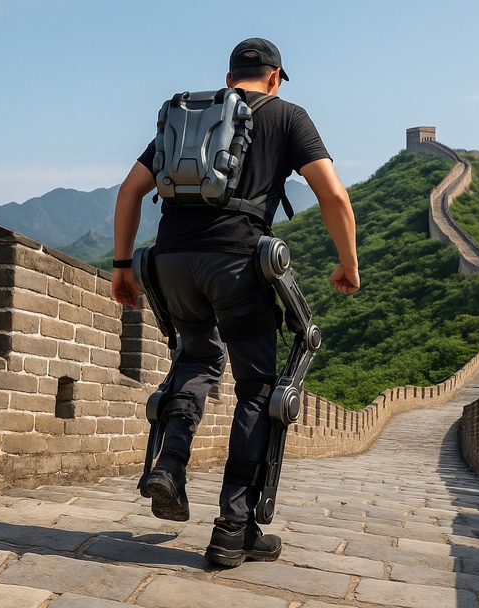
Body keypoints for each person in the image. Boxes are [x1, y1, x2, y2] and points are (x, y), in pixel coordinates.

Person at [111, 37, 359, 567]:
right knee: (257, 391)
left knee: (197, 358)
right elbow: (334, 194)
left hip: (171, 262)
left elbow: (129, 191)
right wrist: (348, 263)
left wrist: (121, 266)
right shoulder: (288, 116)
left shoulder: (189, 117)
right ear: (275, 78)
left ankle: (170, 462)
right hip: (237, 264)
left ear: (229, 80)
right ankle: (232, 528)